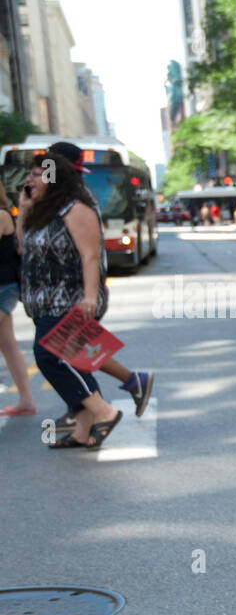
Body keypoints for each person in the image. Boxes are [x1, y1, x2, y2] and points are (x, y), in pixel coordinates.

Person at [16, 151, 122, 448]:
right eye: (29, 174)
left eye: (36, 174)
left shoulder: (76, 209)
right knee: (74, 360)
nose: (29, 180)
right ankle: (83, 430)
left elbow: (90, 256)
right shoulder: (43, 211)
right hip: (41, 301)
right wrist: (24, 209)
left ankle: (104, 411)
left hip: (69, 298)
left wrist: (89, 297)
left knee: (50, 357)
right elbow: (24, 250)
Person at [0, 182, 33, 416]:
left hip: (3, 286)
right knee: (8, 345)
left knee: (8, 345)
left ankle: (26, 400)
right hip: (5, 286)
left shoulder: (1, 214)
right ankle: (26, 400)